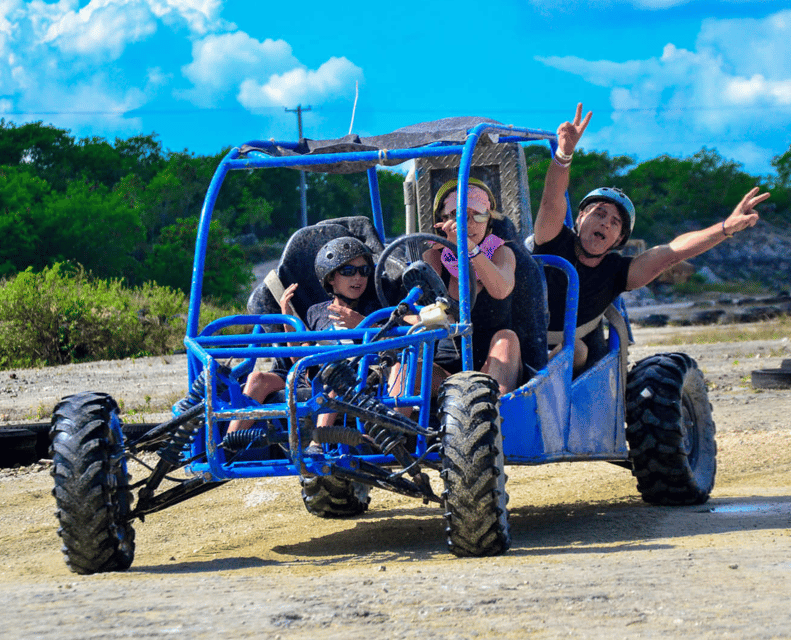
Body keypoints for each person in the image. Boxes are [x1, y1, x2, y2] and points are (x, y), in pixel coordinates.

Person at [533, 102, 771, 373]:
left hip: (568, 361)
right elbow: (551, 202)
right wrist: (564, 154)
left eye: (615, 223)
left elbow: (672, 252)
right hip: (523, 337)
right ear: (580, 218)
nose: (605, 224)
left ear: (619, 239)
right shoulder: (552, 239)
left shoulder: (617, 272)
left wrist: (726, 227)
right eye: (599, 213)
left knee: (577, 349)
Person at [227, 236, 379, 436]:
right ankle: (226, 447)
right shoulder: (315, 312)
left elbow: (390, 344)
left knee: (336, 374)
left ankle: (318, 445)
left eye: (364, 271)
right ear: (331, 278)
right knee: (256, 378)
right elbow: (298, 358)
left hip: (352, 377)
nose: (358, 278)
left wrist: (362, 323)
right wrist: (287, 317)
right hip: (310, 377)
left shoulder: (374, 309)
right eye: (348, 271)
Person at [420, 178, 522, 395]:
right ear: (443, 221)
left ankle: (495, 418)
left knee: (507, 339)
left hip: (492, 369)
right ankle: (389, 427)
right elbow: (417, 315)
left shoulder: (502, 252)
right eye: (460, 216)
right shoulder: (433, 257)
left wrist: (470, 249)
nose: (471, 223)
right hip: (445, 376)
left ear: (489, 220)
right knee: (406, 362)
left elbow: (501, 289)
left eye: (479, 214)